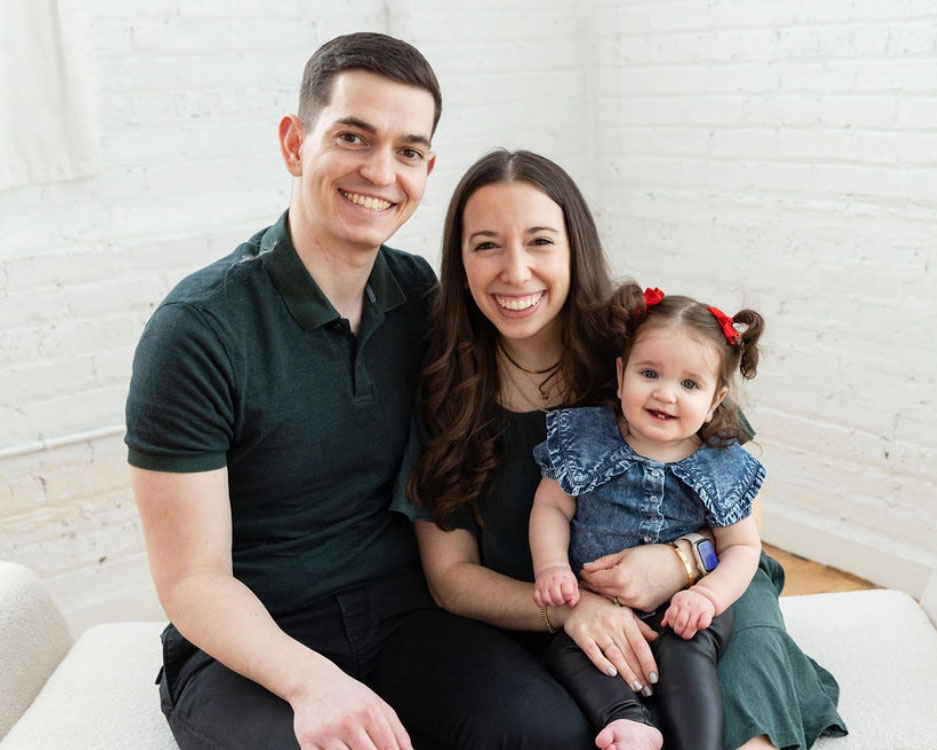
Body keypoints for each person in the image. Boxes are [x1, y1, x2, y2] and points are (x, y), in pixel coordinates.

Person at [126, 34, 588, 750]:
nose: (380, 170)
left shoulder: (423, 298)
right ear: (294, 144)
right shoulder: (197, 331)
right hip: (252, 645)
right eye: (352, 136)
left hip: (408, 618)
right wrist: (313, 684)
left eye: (407, 150)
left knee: (546, 733)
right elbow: (192, 580)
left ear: (425, 168)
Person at [398, 148, 847, 750]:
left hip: (708, 595)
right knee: (592, 721)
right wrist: (575, 608)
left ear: (573, 248)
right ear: (460, 261)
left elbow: (740, 519)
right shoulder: (446, 390)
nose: (516, 270)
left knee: (735, 709)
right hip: (548, 616)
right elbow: (451, 577)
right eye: (486, 245)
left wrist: (681, 565)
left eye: (539, 241)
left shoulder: (649, 349)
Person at [530, 283, 766, 750]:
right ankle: (630, 720)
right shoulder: (586, 438)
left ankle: (699, 742)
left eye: (690, 384)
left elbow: (742, 545)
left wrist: (709, 597)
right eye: (650, 373)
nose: (666, 394)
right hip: (600, 602)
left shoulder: (720, 462)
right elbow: (551, 506)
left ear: (716, 401)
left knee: (687, 653)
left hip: (686, 605)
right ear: (621, 376)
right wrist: (552, 567)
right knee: (572, 649)